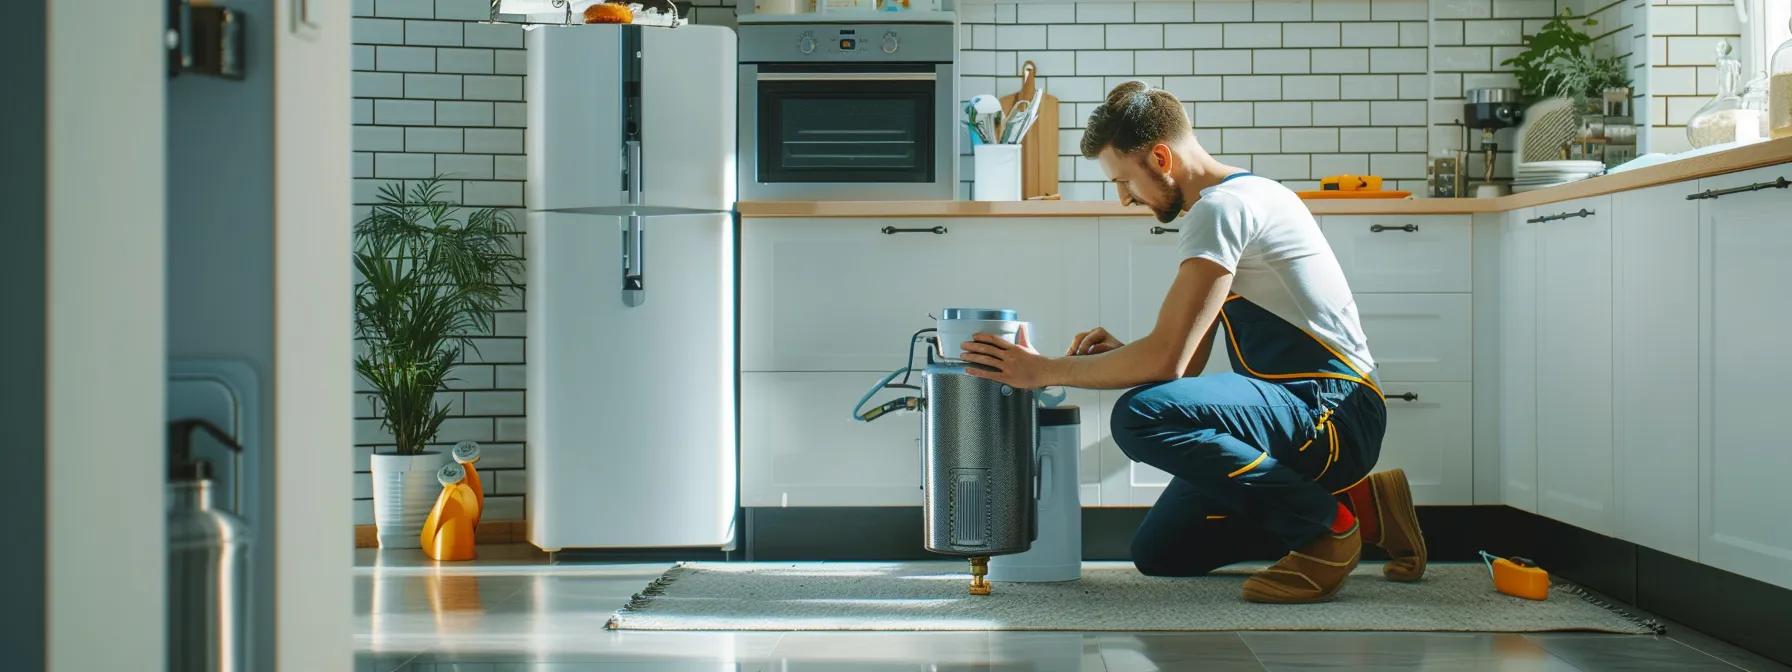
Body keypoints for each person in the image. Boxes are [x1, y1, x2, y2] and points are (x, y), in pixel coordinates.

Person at [958, 81, 1426, 604]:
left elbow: (1166, 362)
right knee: (1163, 552)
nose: (1124, 198)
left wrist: (1041, 370)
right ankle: (1366, 505)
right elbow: (1182, 363)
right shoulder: (1247, 195)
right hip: (1320, 410)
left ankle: (1325, 529)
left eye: (1124, 180)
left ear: (1160, 157)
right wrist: (1121, 353)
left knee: (1139, 415)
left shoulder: (1221, 209)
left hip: (1331, 409)